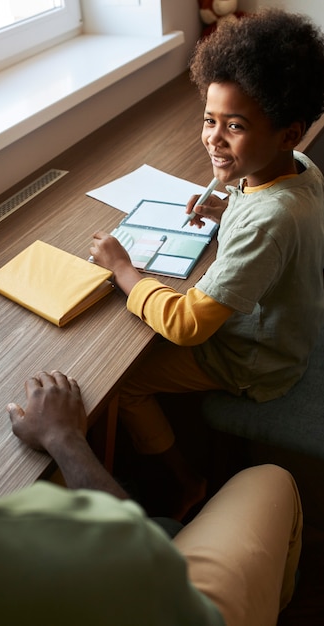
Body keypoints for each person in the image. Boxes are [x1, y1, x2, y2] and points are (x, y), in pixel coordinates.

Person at [0, 229, 302, 626]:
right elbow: (143, 564)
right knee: (273, 480)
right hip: (177, 605)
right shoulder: (16, 528)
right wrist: (64, 438)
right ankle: (272, 604)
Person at [90, 8, 324, 517]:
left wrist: (125, 271)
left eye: (234, 126)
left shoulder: (269, 220)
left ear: (289, 132)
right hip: (290, 329)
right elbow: (267, 218)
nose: (214, 138)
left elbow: (189, 324)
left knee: (124, 385)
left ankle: (188, 481)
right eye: (208, 119)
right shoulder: (300, 170)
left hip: (259, 362)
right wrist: (226, 209)